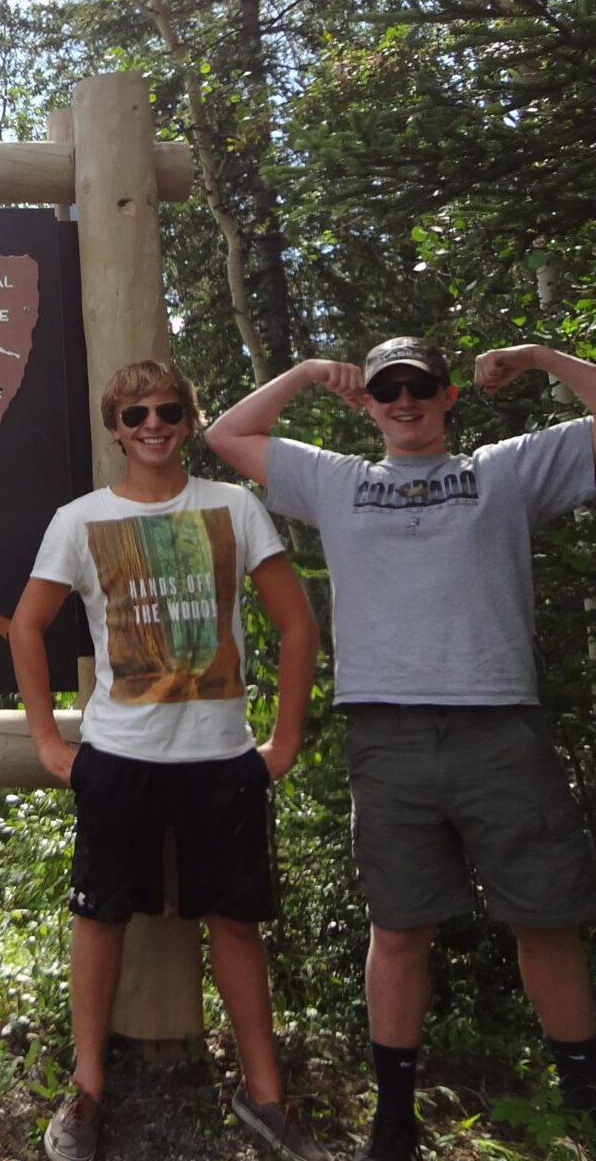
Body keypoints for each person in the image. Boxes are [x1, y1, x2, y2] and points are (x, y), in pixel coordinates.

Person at [207, 338, 596, 1161]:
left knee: (547, 921)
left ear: (449, 396)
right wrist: (308, 374)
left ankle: (583, 1097)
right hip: (386, 735)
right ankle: (394, 1120)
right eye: (388, 390)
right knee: (399, 928)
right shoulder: (339, 481)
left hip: (499, 726)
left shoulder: (505, 471)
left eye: (421, 386)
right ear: (369, 404)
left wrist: (539, 358)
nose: (405, 401)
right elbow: (225, 435)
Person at [10, 359, 326, 1161]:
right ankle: (87, 1091)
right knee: (99, 917)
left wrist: (285, 741)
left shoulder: (234, 508)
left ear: (188, 421)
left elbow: (298, 626)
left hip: (221, 757)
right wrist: (48, 741)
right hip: (120, 756)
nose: (153, 425)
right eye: (136, 414)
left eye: (167, 411)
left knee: (236, 923)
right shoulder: (80, 520)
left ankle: (265, 1095)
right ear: (116, 429)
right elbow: (26, 626)